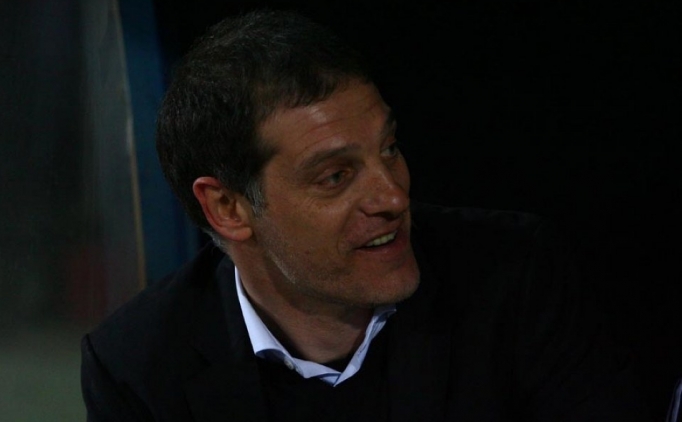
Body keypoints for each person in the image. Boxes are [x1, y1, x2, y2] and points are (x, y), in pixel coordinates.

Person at [81, 9, 651, 422]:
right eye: (336, 176)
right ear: (228, 208)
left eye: (389, 149)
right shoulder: (138, 367)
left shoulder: (514, 277)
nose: (393, 197)